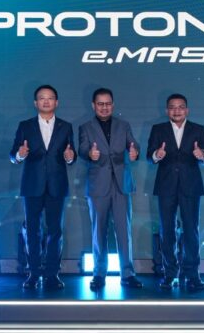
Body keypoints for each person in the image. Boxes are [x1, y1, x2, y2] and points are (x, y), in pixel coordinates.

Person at [9, 85, 76, 289]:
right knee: (32, 231)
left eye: (50, 98)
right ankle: (34, 273)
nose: (46, 101)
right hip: (32, 185)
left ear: (57, 102)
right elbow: (13, 155)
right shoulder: (25, 126)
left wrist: (70, 157)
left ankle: (52, 274)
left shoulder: (66, 126)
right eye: (42, 98)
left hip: (57, 185)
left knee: (55, 231)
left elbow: (71, 155)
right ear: (35, 102)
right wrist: (20, 154)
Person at [78, 88, 143, 290]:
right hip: (98, 185)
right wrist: (90, 154)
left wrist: (134, 152)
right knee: (98, 232)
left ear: (113, 105)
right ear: (93, 105)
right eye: (100, 104)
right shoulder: (85, 127)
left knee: (124, 232)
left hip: (122, 184)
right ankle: (99, 274)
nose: (104, 107)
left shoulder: (124, 125)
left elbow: (134, 145)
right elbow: (82, 149)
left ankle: (128, 274)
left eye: (107, 104)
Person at [146, 93, 204, 291]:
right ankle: (169, 273)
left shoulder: (198, 129)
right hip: (166, 186)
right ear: (167, 110)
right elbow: (149, 157)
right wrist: (157, 155)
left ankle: (192, 274)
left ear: (187, 110)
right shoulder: (158, 129)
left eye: (181, 107)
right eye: (173, 107)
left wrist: (202, 154)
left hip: (191, 186)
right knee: (167, 231)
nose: (177, 110)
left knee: (191, 230)